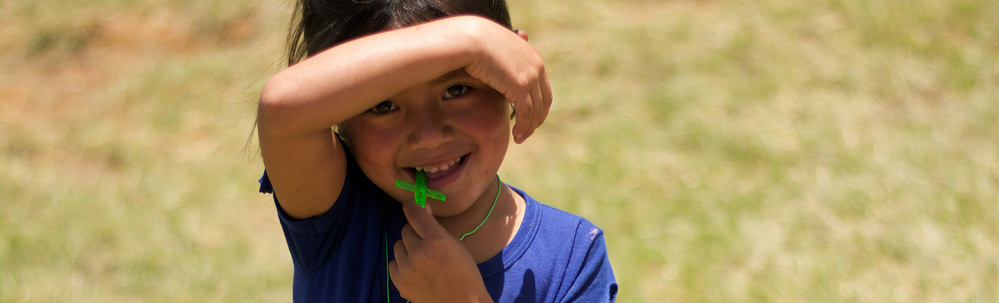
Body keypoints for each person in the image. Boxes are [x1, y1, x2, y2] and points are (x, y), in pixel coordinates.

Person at [256, 0, 617, 301]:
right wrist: (470, 40)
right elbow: (280, 109)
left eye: (457, 90)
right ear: (338, 112)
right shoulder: (336, 212)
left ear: (510, 73)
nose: (428, 137)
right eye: (383, 106)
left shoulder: (572, 258)